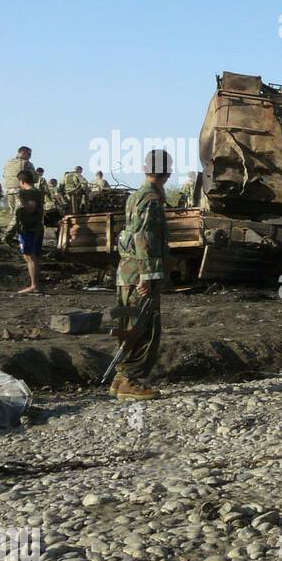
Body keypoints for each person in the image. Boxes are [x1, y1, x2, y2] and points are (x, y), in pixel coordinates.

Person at [111, 150, 173, 400]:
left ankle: (121, 377)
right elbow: (143, 237)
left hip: (128, 270)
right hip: (140, 272)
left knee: (130, 324)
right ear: (167, 172)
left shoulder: (136, 196)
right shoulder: (150, 199)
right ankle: (130, 380)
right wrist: (146, 276)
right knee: (144, 327)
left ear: (145, 168)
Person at [11, 170, 46, 293]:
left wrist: (21, 198)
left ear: (21, 181)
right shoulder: (37, 192)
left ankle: (34, 285)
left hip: (29, 228)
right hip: (36, 227)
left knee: (29, 257)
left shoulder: (29, 193)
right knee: (35, 257)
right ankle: (35, 284)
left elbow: (31, 208)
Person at [2, 147, 34, 222]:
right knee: (21, 214)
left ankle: (13, 230)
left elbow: (4, 175)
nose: (30, 156)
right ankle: (13, 231)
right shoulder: (26, 163)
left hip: (9, 191)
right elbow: (34, 177)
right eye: (29, 154)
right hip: (21, 191)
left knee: (13, 213)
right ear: (23, 153)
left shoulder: (8, 162)